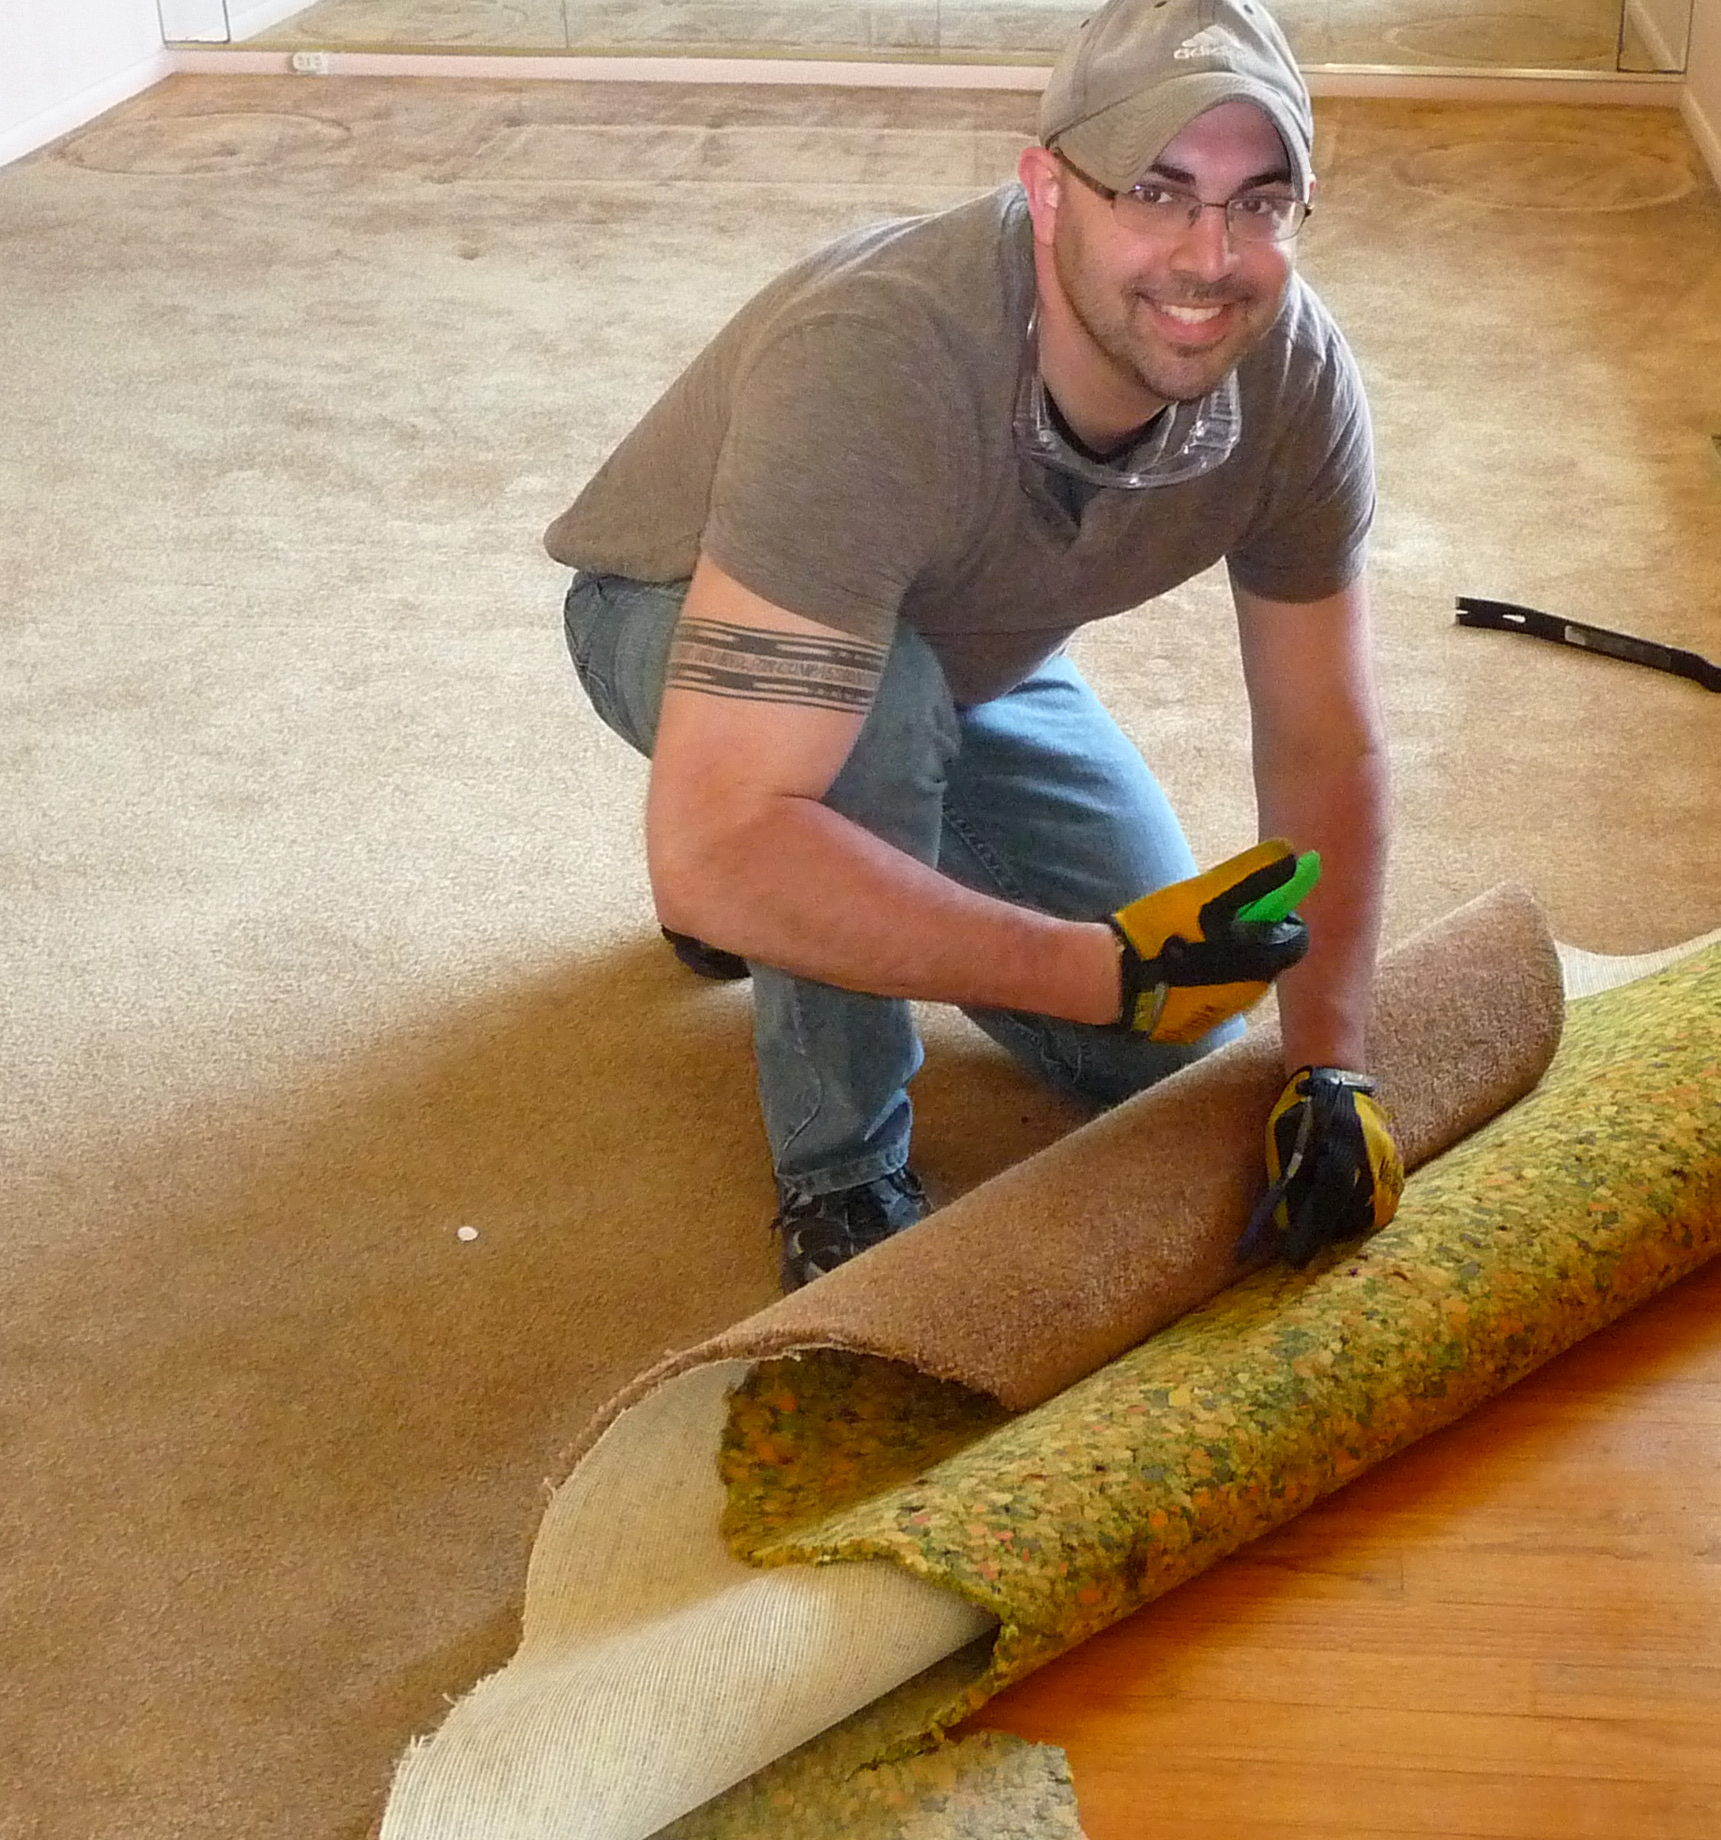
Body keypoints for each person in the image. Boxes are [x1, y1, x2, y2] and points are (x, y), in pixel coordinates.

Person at [553, 0, 1403, 1289]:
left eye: (1258, 204)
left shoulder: (1292, 378)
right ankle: (841, 1170)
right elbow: (713, 856)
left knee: (1162, 1043)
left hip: (981, 652)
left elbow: (1322, 736)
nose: (1208, 257)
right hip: (674, 609)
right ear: (1047, 191)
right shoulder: (878, 359)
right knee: (861, 742)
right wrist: (1093, 967)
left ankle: (817, 904)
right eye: (1156, 192)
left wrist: (1330, 1063)